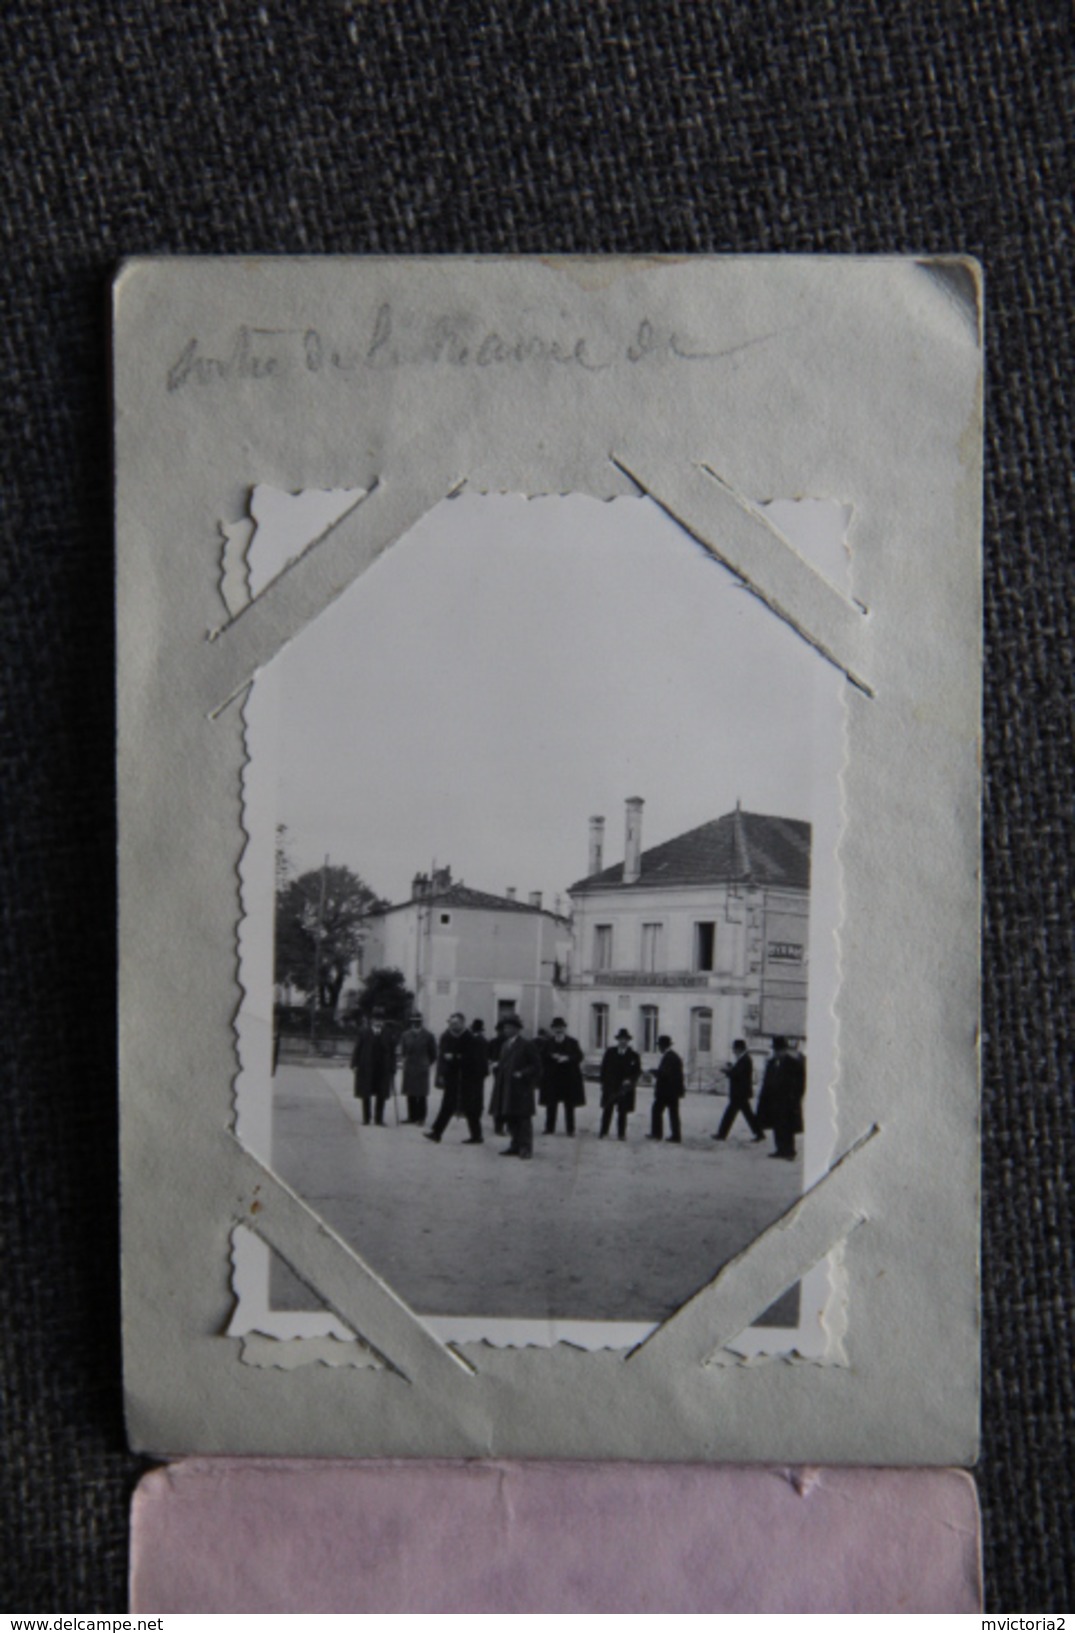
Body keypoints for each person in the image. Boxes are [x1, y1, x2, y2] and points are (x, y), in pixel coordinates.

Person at [426, 1012, 484, 1145]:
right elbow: (443, 1055)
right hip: (452, 1078)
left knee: (470, 1108)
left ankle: (477, 1135)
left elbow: (473, 1059)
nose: (452, 1026)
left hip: (467, 1078)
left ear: (463, 1023)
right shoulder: (449, 1036)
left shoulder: (470, 1038)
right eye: (451, 1023)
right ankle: (436, 1133)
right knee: (447, 1105)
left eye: (456, 1023)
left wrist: (455, 1057)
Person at [493, 1011, 542, 1158]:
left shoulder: (527, 1045)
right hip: (507, 1087)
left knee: (523, 1119)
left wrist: (523, 1073)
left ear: (516, 1029)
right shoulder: (504, 1045)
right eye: (504, 1027)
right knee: (510, 1117)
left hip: (522, 1088)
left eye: (509, 1027)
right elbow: (504, 1064)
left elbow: (537, 1066)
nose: (505, 1030)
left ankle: (525, 1148)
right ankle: (514, 1145)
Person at [756, 1035, 806, 1160]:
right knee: (777, 1126)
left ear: (785, 1050)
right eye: (776, 1050)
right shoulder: (772, 1063)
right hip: (774, 1101)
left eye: (779, 1050)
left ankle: (789, 1151)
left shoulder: (793, 1064)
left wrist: (796, 1098)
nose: (777, 1053)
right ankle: (780, 1149)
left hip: (788, 1101)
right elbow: (767, 1082)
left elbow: (801, 1083)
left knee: (788, 1127)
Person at [539, 1016, 585, 1135]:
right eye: (556, 1028)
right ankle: (549, 1128)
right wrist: (551, 1056)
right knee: (551, 1104)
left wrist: (567, 1058)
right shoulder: (547, 1043)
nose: (558, 1030)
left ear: (565, 1028)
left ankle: (570, 1129)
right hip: (552, 1079)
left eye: (561, 1027)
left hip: (568, 1078)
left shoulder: (573, 1042)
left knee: (569, 1105)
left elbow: (579, 1056)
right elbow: (541, 1057)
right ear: (553, 1029)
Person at [350, 1007, 396, 1126]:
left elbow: (392, 1052)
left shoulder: (388, 1033)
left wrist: (393, 1067)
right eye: (376, 1019)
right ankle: (366, 1118)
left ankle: (379, 1119)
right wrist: (354, 1064)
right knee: (366, 1092)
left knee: (381, 1093)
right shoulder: (364, 1032)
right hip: (367, 1066)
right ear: (371, 1020)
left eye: (381, 1020)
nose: (378, 1022)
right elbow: (358, 1049)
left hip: (383, 1067)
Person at [713, 1038, 764, 1142]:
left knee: (731, 1113)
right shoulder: (743, 1059)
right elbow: (738, 1072)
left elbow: (737, 1074)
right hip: (741, 1093)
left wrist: (727, 1071)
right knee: (747, 1114)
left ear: (739, 1049)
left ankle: (722, 1134)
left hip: (740, 1093)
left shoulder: (745, 1059)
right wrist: (731, 1068)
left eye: (734, 1049)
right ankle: (759, 1133)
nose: (733, 1051)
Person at [599, 1028, 642, 1140]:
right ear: (618, 1040)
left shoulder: (633, 1055)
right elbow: (603, 1069)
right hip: (611, 1086)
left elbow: (637, 1072)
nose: (623, 1041)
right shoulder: (610, 1052)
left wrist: (630, 1080)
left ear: (628, 1041)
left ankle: (621, 1134)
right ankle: (603, 1131)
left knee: (623, 1111)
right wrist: (603, 1083)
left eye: (625, 1039)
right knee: (608, 1109)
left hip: (625, 1088)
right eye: (621, 1039)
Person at [647, 1034, 684, 1142]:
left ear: (663, 1046)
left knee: (657, 1110)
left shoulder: (669, 1057)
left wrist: (654, 1072)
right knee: (673, 1113)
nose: (659, 1048)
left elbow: (665, 1074)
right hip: (673, 1091)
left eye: (659, 1046)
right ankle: (676, 1136)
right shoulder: (673, 1056)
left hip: (666, 1091)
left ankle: (657, 1134)